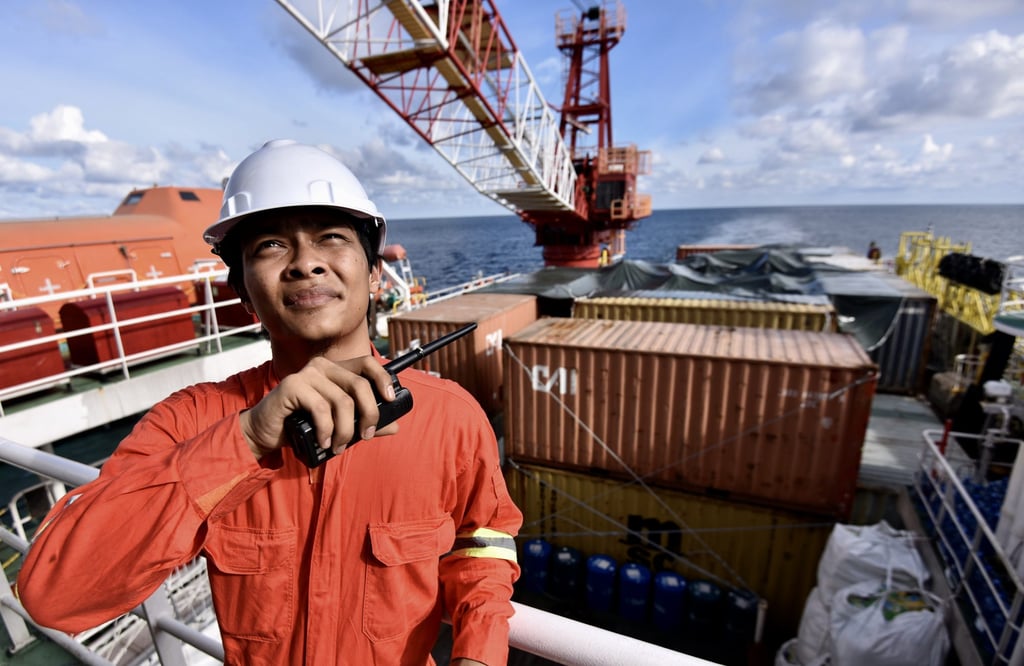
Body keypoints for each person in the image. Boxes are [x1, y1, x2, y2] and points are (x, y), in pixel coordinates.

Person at [17, 139, 523, 665]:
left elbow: (483, 541)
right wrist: (247, 439)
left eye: (330, 237)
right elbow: (53, 595)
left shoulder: (451, 417)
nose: (306, 263)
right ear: (242, 292)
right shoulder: (193, 422)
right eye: (271, 247)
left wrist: (479, 653)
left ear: (375, 273)